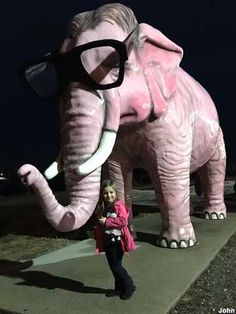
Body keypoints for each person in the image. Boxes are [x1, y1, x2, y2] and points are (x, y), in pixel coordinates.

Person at [94, 179, 136, 300]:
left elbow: (123, 221)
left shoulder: (119, 205)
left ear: (115, 193)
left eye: (111, 192)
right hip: (107, 241)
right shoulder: (103, 206)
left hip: (117, 242)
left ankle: (129, 286)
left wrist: (106, 221)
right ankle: (119, 288)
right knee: (113, 266)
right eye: (106, 193)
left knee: (116, 266)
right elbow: (100, 222)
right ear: (102, 194)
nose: (109, 195)